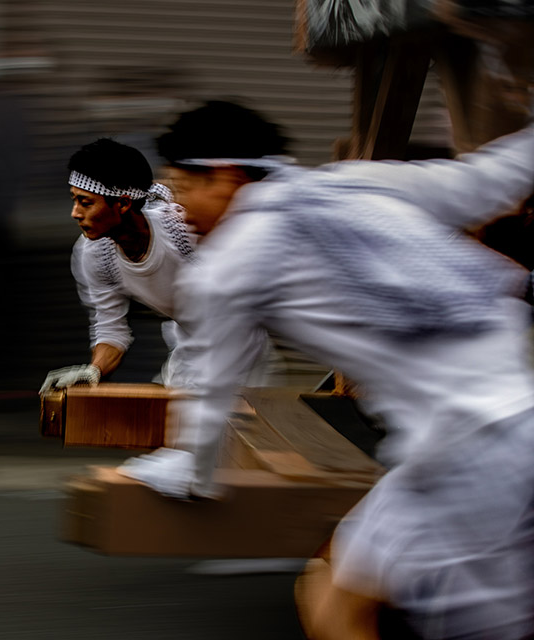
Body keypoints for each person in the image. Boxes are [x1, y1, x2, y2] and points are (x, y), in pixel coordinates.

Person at [120, 100, 534, 639]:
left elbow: (211, 397)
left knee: (343, 612)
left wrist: (187, 475)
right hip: (495, 429)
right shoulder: (357, 183)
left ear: (223, 175)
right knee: (329, 598)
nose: (177, 210)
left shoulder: (228, 268)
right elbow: (489, 181)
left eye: (181, 188)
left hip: (468, 462)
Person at [39, 138, 198, 393]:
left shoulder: (183, 229)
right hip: (189, 354)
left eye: (86, 202)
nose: (75, 213)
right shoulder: (93, 253)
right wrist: (94, 371)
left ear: (123, 204)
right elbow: (110, 327)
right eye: (74, 200)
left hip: (243, 349)